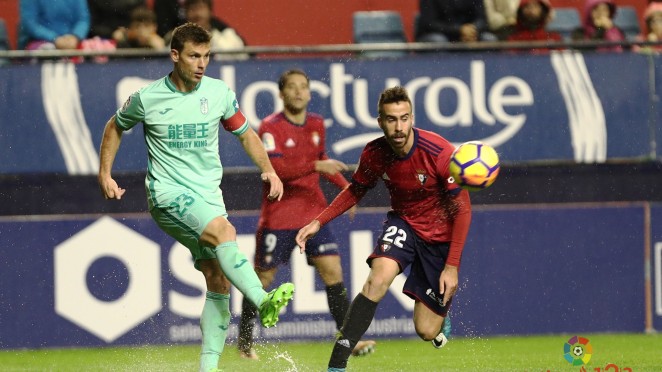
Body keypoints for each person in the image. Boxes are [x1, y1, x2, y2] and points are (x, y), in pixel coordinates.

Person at [97, 22, 294, 372]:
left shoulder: (218, 93)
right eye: (193, 56)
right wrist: (105, 174)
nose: (201, 64)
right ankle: (263, 300)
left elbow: (247, 134)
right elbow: (115, 126)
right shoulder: (148, 97)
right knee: (224, 233)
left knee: (217, 277)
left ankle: (208, 368)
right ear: (175, 56)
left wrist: (269, 168)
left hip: (208, 196)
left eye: (206, 56)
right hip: (168, 195)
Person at [296, 86, 472, 372]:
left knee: (426, 331)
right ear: (381, 122)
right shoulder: (375, 153)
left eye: (404, 118)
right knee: (376, 281)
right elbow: (356, 191)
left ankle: (440, 314)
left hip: (439, 238)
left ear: (412, 118)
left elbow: (462, 210)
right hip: (403, 223)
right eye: (391, 119)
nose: (399, 127)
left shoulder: (439, 152)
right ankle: (337, 365)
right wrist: (319, 221)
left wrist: (451, 266)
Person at [236, 69, 376, 360]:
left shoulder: (315, 124)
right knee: (262, 280)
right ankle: (245, 341)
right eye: (292, 87)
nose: (299, 92)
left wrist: (346, 190)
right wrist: (315, 166)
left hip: (314, 214)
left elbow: (322, 160)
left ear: (310, 93)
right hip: (279, 217)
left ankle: (348, 339)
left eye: (304, 87)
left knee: (333, 270)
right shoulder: (269, 127)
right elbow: (276, 171)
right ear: (281, 94)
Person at [164, 0, 249, 60]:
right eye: (192, 9)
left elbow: (245, 60)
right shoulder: (177, 39)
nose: (197, 14)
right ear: (186, 14)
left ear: (210, 12)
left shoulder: (227, 35)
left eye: (201, 8)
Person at [19, 0, 90, 50]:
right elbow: (30, 25)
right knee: (48, 51)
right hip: (39, 42)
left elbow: (83, 19)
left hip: (72, 42)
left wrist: (75, 37)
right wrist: (55, 39)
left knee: (95, 50)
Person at [415, 0, 497, 43]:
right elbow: (429, 23)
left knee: (489, 39)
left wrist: (473, 29)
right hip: (440, 34)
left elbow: (482, 19)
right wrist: (459, 30)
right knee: (439, 40)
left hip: (469, 35)